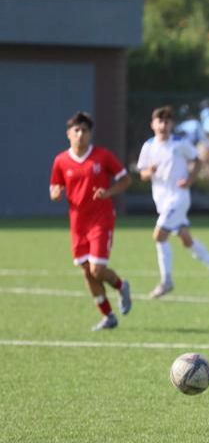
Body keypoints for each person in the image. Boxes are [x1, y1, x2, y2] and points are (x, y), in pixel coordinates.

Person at [49, 111, 133, 330]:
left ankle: (121, 286)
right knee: (87, 272)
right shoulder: (61, 160)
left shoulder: (102, 156)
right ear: (68, 133)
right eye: (76, 130)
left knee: (96, 269)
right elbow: (54, 188)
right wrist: (56, 194)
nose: (80, 134)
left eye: (84, 130)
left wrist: (109, 192)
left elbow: (125, 179)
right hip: (78, 224)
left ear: (90, 134)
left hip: (101, 220)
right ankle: (108, 316)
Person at [136, 105, 209, 298]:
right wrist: (148, 172)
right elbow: (142, 173)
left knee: (159, 236)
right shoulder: (149, 146)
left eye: (167, 121)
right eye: (160, 120)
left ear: (172, 124)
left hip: (179, 198)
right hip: (162, 200)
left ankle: (166, 280)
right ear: (152, 124)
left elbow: (198, 161)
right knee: (186, 240)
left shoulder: (180, 143)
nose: (163, 124)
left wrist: (190, 179)